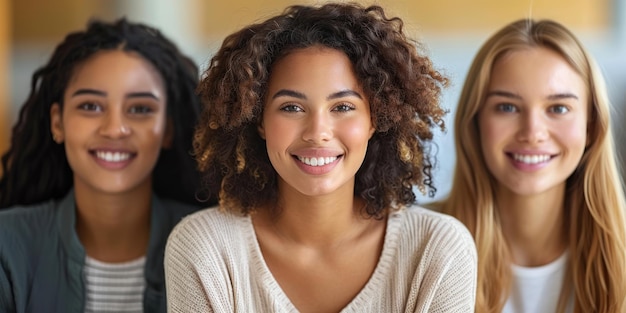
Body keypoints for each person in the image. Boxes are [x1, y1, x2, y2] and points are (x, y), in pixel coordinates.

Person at [164, 3, 477, 312]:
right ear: (258, 120)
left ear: (375, 119)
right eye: (291, 107)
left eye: (342, 107)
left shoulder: (437, 249)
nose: (317, 132)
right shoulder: (204, 248)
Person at [0, 17, 208, 313]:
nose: (114, 129)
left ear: (168, 130)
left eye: (140, 109)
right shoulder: (6, 245)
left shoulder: (210, 246)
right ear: (57, 122)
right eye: (90, 106)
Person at [435, 18, 626, 313]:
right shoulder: (418, 243)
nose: (532, 132)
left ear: (591, 127)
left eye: (558, 108)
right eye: (507, 107)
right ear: (475, 124)